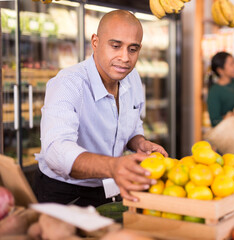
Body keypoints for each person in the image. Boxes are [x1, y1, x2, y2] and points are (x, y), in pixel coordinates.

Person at [34, 10, 167, 207]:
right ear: (95, 42)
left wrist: (140, 144)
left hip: (111, 187)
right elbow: (56, 150)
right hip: (65, 193)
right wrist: (113, 166)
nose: (125, 57)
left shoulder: (132, 78)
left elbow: (132, 126)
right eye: (115, 46)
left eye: (133, 49)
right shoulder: (68, 83)